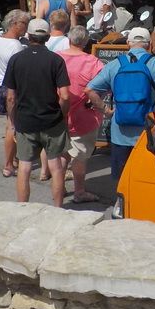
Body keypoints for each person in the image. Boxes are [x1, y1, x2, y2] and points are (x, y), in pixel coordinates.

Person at [85, 27, 155, 189]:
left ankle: (122, 203)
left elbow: (89, 90)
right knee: (150, 180)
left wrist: (106, 111)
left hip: (120, 133)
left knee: (123, 181)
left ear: (128, 43)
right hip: (150, 132)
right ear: (149, 45)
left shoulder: (115, 64)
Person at [3, 18, 71, 205]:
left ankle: (23, 208)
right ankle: (58, 208)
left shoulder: (16, 59)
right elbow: (65, 96)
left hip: (26, 121)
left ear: (28, 36)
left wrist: (12, 121)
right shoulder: (56, 60)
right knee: (56, 167)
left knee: (24, 167)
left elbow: (10, 98)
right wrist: (62, 115)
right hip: (52, 121)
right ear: (47, 37)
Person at [58, 26, 104, 203]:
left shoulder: (56, 58)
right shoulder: (93, 62)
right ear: (86, 42)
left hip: (57, 114)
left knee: (62, 153)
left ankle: (59, 187)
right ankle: (79, 191)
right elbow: (101, 89)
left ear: (69, 39)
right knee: (79, 156)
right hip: (84, 116)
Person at [0, 10, 30, 178]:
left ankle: (12, 160)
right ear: (14, 24)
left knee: (10, 124)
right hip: (12, 89)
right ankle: (8, 165)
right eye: (24, 23)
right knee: (13, 127)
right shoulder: (16, 46)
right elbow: (21, 71)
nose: (26, 27)